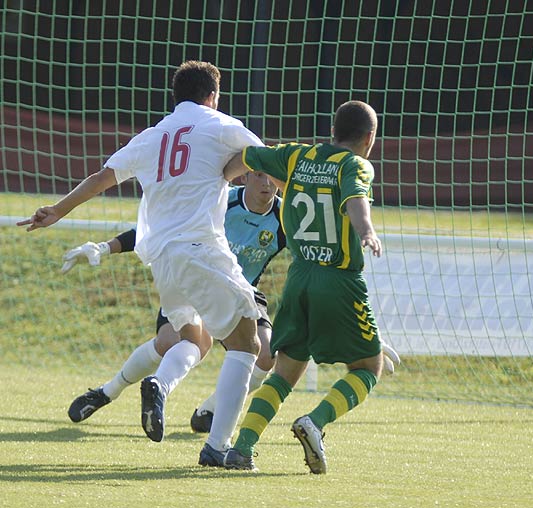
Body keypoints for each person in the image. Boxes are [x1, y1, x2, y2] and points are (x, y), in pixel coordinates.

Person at [18, 60, 264, 468]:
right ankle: (218, 449)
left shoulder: (153, 135)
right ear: (213, 96)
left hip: (163, 260)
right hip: (201, 248)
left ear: (176, 96)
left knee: (193, 340)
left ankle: (156, 384)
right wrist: (235, 171)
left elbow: (103, 176)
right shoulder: (221, 124)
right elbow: (261, 158)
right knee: (246, 342)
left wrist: (58, 210)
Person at [202, 100, 384, 474]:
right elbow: (356, 199)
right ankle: (315, 422)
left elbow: (248, 157)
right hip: (339, 279)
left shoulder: (296, 156)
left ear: (334, 130)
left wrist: (218, 181)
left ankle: (242, 447)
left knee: (285, 371)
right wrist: (365, 230)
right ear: (369, 137)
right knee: (369, 366)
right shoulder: (356, 165)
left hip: (299, 278)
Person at [63, 170, 285, 433]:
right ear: (244, 178)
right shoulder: (218, 202)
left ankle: (209, 411)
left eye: (273, 178)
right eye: (259, 176)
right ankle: (107, 392)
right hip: (196, 281)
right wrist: (104, 247)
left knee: (266, 355)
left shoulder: (285, 218)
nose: (267, 184)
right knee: (170, 342)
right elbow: (160, 229)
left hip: (242, 291)